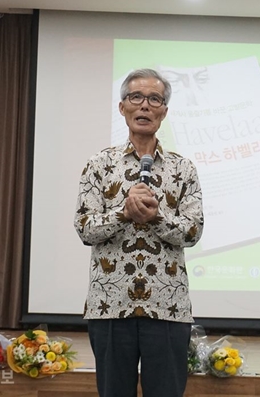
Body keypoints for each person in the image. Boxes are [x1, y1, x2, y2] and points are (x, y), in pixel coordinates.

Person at [74, 68, 204, 397]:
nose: (145, 106)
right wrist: (124, 211)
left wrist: (156, 217)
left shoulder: (183, 168)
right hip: (110, 305)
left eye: (154, 99)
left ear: (164, 112)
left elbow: (192, 231)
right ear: (122, 108)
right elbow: (85, 228)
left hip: (168, 305)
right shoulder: (99, 164)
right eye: (136, 98)